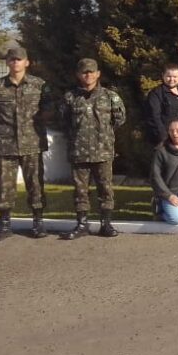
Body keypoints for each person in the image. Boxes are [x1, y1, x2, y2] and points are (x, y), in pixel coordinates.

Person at [58, 58, 127, 240]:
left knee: (105, 189)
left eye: (91, 72)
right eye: (84, 72)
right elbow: (64, 121)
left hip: (102, 152)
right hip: (79, 152)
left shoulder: (110, 96)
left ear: (98, 74)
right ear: (78, 75)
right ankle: (81, 224)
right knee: (80, 190)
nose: (88, 75)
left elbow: (119, 120)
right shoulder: (70, 97)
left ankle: (106, 224)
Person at [0, 46, 51, 241]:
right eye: (12, 59)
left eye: (19, 59)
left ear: (27, 62)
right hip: (6, 144)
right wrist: (3, 125)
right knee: (4, 185)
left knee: (35, 184)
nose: (15, 62)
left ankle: (38, 223)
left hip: (32, 143)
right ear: (7, 62)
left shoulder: (40, 85)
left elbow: (48, 110)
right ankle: (5, 225)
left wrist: (35, 125)